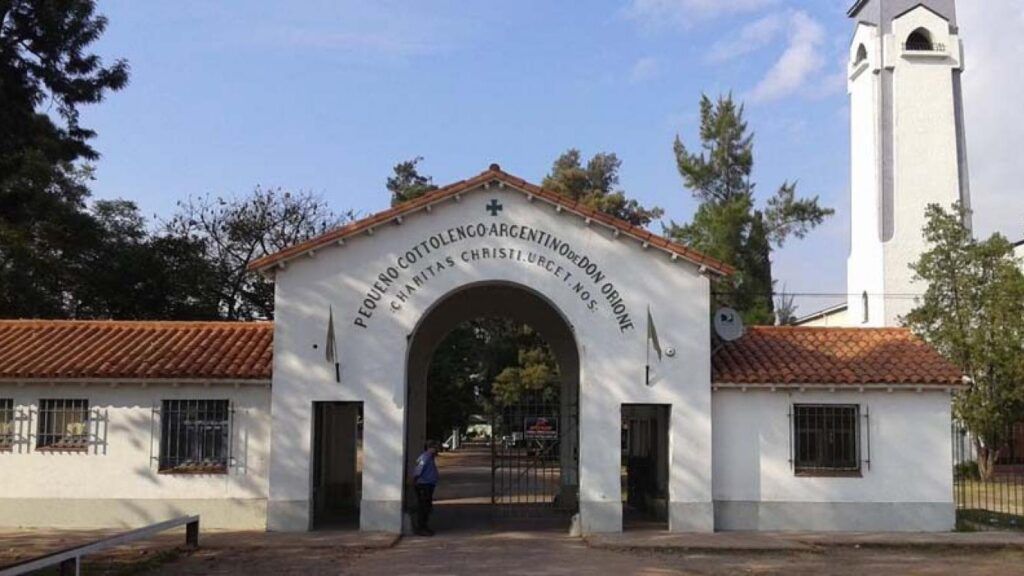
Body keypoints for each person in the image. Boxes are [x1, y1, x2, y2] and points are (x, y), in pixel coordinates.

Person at [412, 439, 440, 536]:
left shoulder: (429, 457)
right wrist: (415, 480)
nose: (437, 449)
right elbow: (418, 469)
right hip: (424, 486)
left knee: (427, 507)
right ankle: (421, 528)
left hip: (428, 485)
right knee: (423, 507)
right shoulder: (425, 457)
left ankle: (424, 526)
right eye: (435, 447)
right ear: (430, 448)